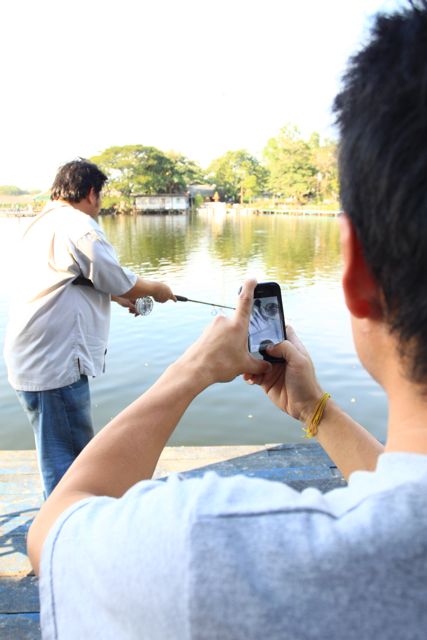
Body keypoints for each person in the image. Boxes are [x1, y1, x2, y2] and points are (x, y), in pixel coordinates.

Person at [28, 2, 427, 638]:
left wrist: (191, 369)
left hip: (43, 363)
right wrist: (314, 408)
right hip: (59, 359)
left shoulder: (204, 546)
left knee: (60, 469)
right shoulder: (79, 226)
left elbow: (51, 531)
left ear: (359, 278)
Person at [3, 159, 175, 497]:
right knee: (70, 464)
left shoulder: (40, 224)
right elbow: (114, 275)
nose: (100, 205)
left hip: (31, 358)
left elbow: (70, 279)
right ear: (91, 193)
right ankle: (65, 532)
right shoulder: (79, 225)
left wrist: (116, 296)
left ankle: (61, 523)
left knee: (57, 454)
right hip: (55, 365)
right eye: (101, 196)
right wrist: (157, 289)